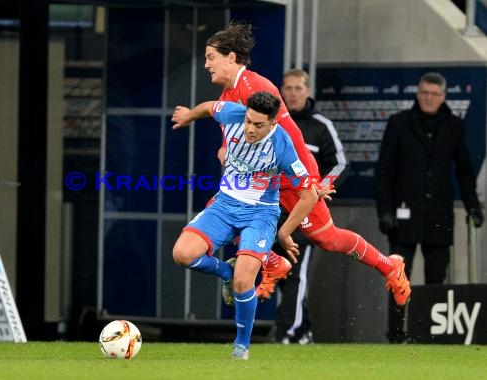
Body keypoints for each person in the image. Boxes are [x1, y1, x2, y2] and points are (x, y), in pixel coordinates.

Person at [172, 21, 412, 319]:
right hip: (264, 180)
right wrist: (205, 131)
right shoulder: (228, 94)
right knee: (221, 210)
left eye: (211, 57)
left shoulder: (256, 87)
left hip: (292, 175)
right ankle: (272, 261)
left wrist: (309, 183)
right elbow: (218, 115)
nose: (206, 64)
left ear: (231, 57)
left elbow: (291, 137)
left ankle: (389, 266)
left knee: (329, 238)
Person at [171, 91, 325, 359]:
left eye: (258, 125)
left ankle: (241, 346)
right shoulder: (234, 113)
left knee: (245, 281)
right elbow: (209, 107)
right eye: (249, 122)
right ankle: (225, 273)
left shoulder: (282, 144)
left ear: (273, 124)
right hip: (224, 206)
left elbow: (308, 195)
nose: (250, 129)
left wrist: (285, 232)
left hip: (260, 214)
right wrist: (188, 115)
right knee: (182, 255)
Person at [376, 71, 484, 343]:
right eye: (424, 92)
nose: (428, 98)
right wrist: (385, 211)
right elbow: (384, 171)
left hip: (439, 215)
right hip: (402, 217)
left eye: (434, 93)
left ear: (443, 96)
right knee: (398, 278)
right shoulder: (399, 123)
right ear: (417, 93)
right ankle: (398, 334)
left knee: (437, 277)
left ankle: (431, 335)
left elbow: (464, 171)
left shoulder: (454, 126)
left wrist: (473, 206)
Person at [271, 69, 349, 345]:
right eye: (288, 88)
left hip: (305, 214)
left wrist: (319, 188)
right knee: (279, 272)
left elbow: (340, 163)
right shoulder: (272, 122)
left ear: (308, 91)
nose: (292, 93)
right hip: (273, 213)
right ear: (281, 90)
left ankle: (287, 333)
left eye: (298, 88)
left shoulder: (320, 125)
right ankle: (302, 329)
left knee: (295, 274)